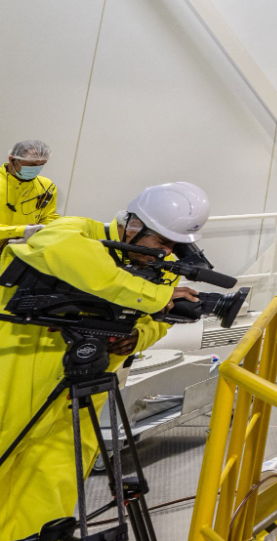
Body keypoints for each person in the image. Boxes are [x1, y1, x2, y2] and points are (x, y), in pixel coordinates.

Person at [0, 182, 207, 541]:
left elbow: (156, 320)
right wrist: (153, 297)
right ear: (134, 225)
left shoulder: (163, 268)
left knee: (54, 478)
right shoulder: (76, 232)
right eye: (161, 241)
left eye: (175, 245)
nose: (167, 251)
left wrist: (139, 336)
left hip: (83, 386)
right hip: (16, 371)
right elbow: (62, 251)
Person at [1, 139, 58, 245]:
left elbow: (48, 217)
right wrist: (19, 231)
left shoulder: (46, 186)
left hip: (21, 252)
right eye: (31, 165)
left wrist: (41, 233)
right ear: (12, 159)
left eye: (41, 165)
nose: (36, 169)